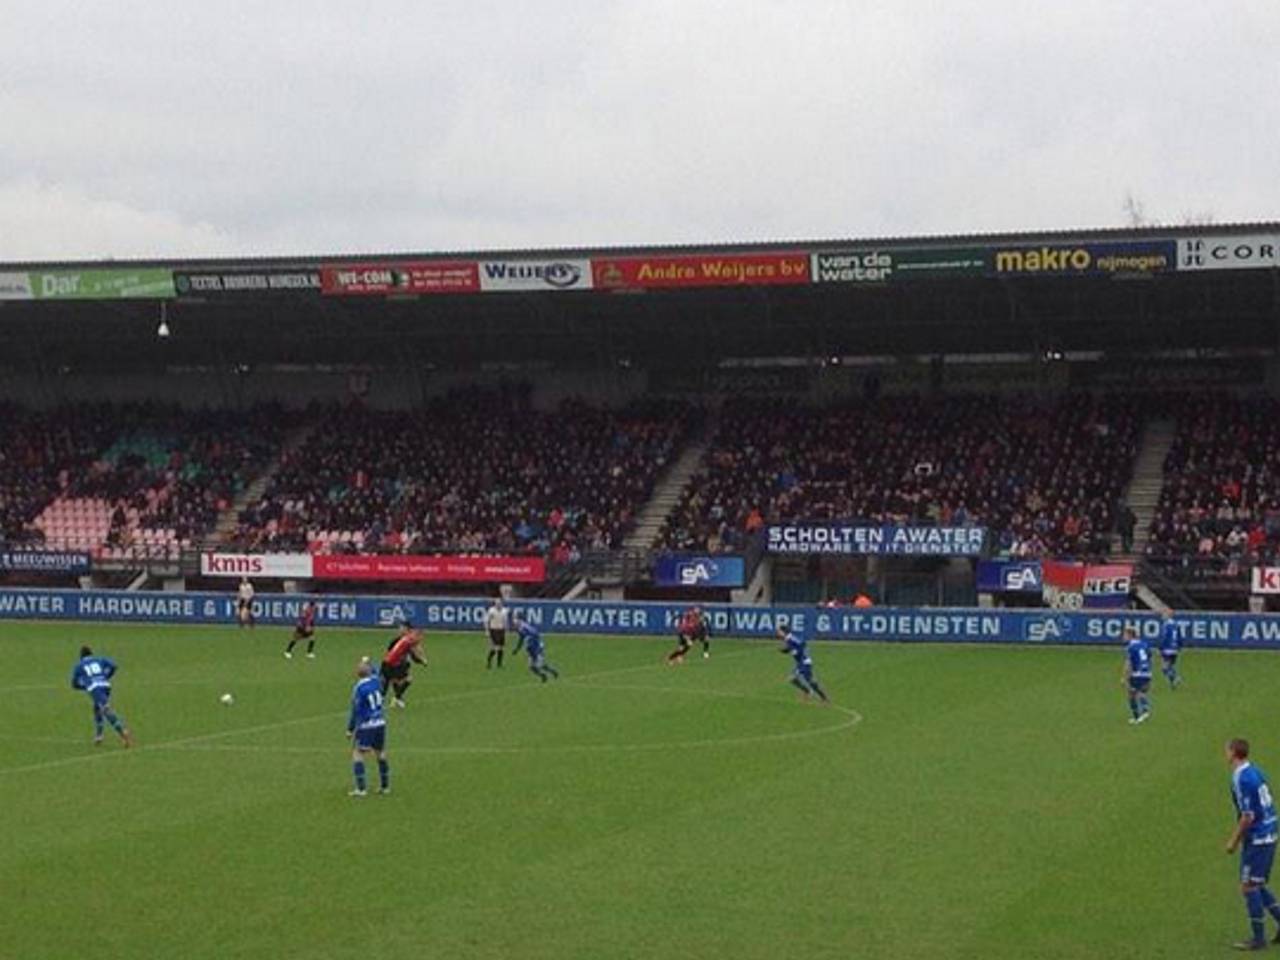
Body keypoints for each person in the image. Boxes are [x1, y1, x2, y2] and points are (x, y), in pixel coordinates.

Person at [1225, 738, 1280, 950]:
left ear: (1233, 753)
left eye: (1227, 750)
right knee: (1256, 884)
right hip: (1269, 831)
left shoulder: (1242, 778)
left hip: (1259, 837)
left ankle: (1258, 939)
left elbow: (1247, 816)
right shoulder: (1255, 770)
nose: (1225, 754)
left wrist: (1233, 841)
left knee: (1248, 886)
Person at [70, 645, 133, 747]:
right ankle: (99, 736)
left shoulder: (79, 665)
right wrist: (106, 676)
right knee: (97, 708)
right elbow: (113, 666)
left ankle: (123, 733)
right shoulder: (99, 659)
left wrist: (85, 686)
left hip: (95, 689)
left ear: (81, 656)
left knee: (105, 710)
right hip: (106, 686)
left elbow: (74, 684)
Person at [347, 658, 389, 797]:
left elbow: (355, 709)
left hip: (366, 725)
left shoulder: (358, 688)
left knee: (357, 753)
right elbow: (376, 670)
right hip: (380, 722)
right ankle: (385, 786)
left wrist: (350, 728)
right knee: (380, 753)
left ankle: (361, 789)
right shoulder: (376, 681)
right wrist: (369, 662)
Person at [380, 623, 427, 708]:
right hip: (392, 664)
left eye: (402, 628)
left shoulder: (406, 639)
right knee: (405, 680)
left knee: (392, 682)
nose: (400, 629)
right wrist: (423, 661)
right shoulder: (408, 641)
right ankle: (396, 699)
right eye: (420, 637)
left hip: (390, 663)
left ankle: (395, 699)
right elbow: (414, 654)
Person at [777, 626, 829, 702]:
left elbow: (803, 645)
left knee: (806, 680)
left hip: (804, 662)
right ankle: (811, 693)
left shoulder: (791, 638)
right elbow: (794, 648)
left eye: (779, 631)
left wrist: (800, 655)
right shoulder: (788, 639)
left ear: (783, 632)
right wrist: (786, 650)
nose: (778, 633)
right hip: (801, 662)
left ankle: (822, 697)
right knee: (797, 679)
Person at [513, 616, 560, 682]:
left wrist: (534, 644)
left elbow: (536, 634)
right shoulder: (520, 629)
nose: (514, 625)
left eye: (516, 623)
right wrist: (517, 649)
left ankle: (553, 672)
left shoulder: (526, 627)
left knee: (540, 665)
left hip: (537, 647)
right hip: (531, 649)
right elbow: (521, 639)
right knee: (531, 667)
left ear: (520, 621)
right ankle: (543, 676)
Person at [1122, 625, 1152, 724]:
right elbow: (1149, 657)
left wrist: (1125, 677)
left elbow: (1129, 663)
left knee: (1131, 694)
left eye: (1125, 634)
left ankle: (1139, 715)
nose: (1123, 636)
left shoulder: (1131, 647)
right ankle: (1144, 710)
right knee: (1141, 692)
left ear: (1130, 635)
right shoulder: (1144, 644)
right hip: (1146, 672)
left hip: (1136, 673)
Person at [1158, 609, 1182, 689]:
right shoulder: (1176, 624)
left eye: (1164, 614)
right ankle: (1173, 684)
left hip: (1167, 649)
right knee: (1170, 666)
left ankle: (1176, 678)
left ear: (1168, 616)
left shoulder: (1166, 625)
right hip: (1175, 649)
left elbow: (1164, 637)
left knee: (1164, 668)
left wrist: (1161, 647)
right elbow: (1179, 637)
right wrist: (1179, 647)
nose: (1162, 616)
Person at [484, 596, 509, 670]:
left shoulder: (504, 611)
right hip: (494, 630)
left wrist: (506, 631)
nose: (498, 604)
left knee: (501, 648)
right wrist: (487, 631)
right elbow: (486, 621)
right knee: (495, 648)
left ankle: (499, 664)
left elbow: (505, 622)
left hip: (501, 630)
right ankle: (489, 661)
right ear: (495, 604)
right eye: (497, 603)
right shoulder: (491, 611)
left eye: (499, 603)